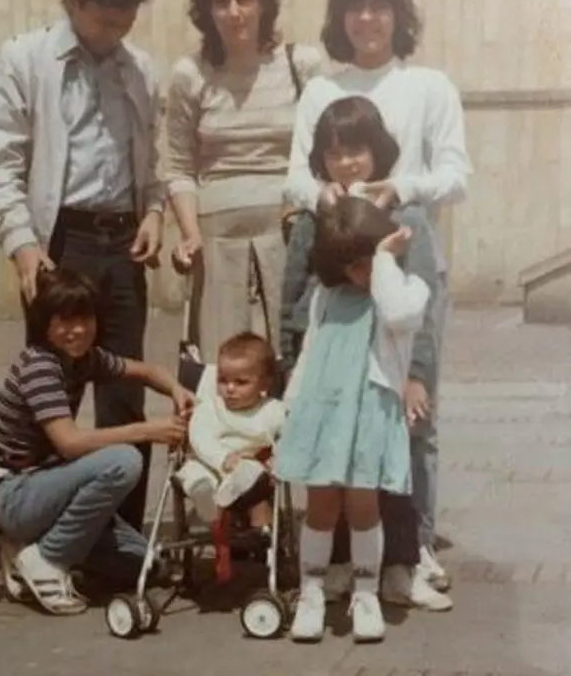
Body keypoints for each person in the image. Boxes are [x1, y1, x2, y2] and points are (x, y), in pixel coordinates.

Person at [284, 0, 472, 591]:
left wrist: (400, 188)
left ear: (399, 13)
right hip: (336, 264)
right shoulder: (320, 89)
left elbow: (455, 174)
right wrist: (328, 200)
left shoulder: (429, 87)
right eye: (355, 6)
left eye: (380, 5)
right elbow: (295, 176)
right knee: (337, 401)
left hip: (406, 249)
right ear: (340, 17)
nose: (368, 18)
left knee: (412, 404)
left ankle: (412, 548)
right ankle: (342, 555)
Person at [0, 0, 166, 531]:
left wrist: (156, 212)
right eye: (105, 19)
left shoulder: (142, 69)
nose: (115, 32)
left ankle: (121, 543)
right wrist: (23, 245)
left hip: (124, 242)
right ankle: (37, 527)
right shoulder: (25, 59)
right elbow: (0, 164)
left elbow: (156, 162)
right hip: (59, 246)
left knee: (123, 392)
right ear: (73, 2)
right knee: (51, 398)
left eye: (127, 20)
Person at [280, 96, 452, 612]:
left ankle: (400, 565)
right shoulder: (314, 217)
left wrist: (417, 375)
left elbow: (422, 301)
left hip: (387, 365)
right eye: (334, 154)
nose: (347, 163)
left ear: (378, 152)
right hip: (331, 362)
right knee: (332, 468)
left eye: (356, 150)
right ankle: (336, 568)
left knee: (389, 463)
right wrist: (290, 362)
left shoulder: (406, 216)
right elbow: (293, 293)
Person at [0, 268, 192, 617]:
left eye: (85, 318)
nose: (76, 330)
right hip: (17, 493)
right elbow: (70, 444)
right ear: (44, 324)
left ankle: (34, 549)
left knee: (149, 566)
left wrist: (178, 390)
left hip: (49, 487)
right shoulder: (40, 366)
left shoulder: (83, 359)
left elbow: (148, 371)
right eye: (64, 321)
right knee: (123, 461)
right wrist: (148, 430)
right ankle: (46, 558)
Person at [276, 194, 429, 643]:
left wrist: (384, 260)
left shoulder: (403, 290)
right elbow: (308, 355)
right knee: (321, 507)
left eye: (370, 261)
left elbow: (400, 313)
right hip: (324, 411)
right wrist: (290, 404)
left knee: (364, 506)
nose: (362, 274)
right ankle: (311, 592)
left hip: (369, 413)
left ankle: (366, 593)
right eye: (355, 265)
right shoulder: (326, 297)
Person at [166, 0, 323, 359]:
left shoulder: (301, 65)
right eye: (221, 2)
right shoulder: (189, 74)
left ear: (263, 3)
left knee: (291, 356)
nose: (234, 12)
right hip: (217, 241)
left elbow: (322, 156)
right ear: (206, 11)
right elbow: (179, 167)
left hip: (289, 234)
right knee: (225, 366)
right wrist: (190, 235)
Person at [176, 332, 284, 581]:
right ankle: (207, 500)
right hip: (208, 463)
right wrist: (222, 458)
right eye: (223, 380)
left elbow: (288, 437)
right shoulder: (210, 408)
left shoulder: (273, 412)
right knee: (193, 475)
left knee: (251, 470)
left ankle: (229, 490)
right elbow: (200, 437)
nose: (230, 388)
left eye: (241, 382)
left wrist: (277, 456)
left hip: (248, 471)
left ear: (264, 384)